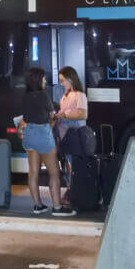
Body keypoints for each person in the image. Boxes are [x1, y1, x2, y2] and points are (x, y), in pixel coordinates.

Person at [18, 67, 71, 216]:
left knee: (33, 172)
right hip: (43, 133)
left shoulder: (25, 96)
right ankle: (57, 207)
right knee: (54, 173)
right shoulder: (43, 96)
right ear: (37, 80)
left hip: (29, 133)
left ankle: (38, 205)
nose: (45, 81)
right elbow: (52, 115)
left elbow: (25, 116)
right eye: (43, 78)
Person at [54, 66, 88, 210]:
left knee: (72, 165)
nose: (61, 83)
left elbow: (83, 114)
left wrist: (64, 115)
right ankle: (71, 191)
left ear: (70, 78)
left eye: (63, 80)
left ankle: (73, 193)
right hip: (64, 135)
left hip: (74, 135)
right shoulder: (66, 95)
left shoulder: (80, 95)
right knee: (67, 165)